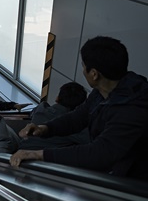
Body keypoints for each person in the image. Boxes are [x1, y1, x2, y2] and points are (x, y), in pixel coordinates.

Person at [10, 36, 148, 180]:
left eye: (83, 66)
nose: (82, 71)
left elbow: (100, 153)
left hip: (135, 181)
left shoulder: (132, 109)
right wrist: (45, 128)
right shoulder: (104, 91)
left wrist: (38, 154)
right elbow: (78, 117)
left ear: (94, 74)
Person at [19, 82, 89, 150]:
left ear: (57, 98)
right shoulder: (74, 126)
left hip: (18, 154)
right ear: (79, 107)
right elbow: (92, 141)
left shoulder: (41, 108)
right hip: (41, 160)